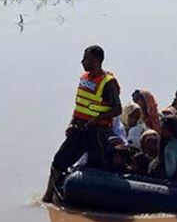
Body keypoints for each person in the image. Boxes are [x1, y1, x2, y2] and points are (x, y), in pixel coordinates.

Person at [42, 45, 122, 203]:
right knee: (59, 161)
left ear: (97, 60)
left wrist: (97, 119)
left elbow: (117, 109)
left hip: (98, 132)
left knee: (96, 166)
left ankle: (96, 203)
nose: (82, 61)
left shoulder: (108, 83)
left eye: (86, 58)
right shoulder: (84, 79)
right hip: (79, 129)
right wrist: (71, 123)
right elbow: (80, 105)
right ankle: (48, 197)